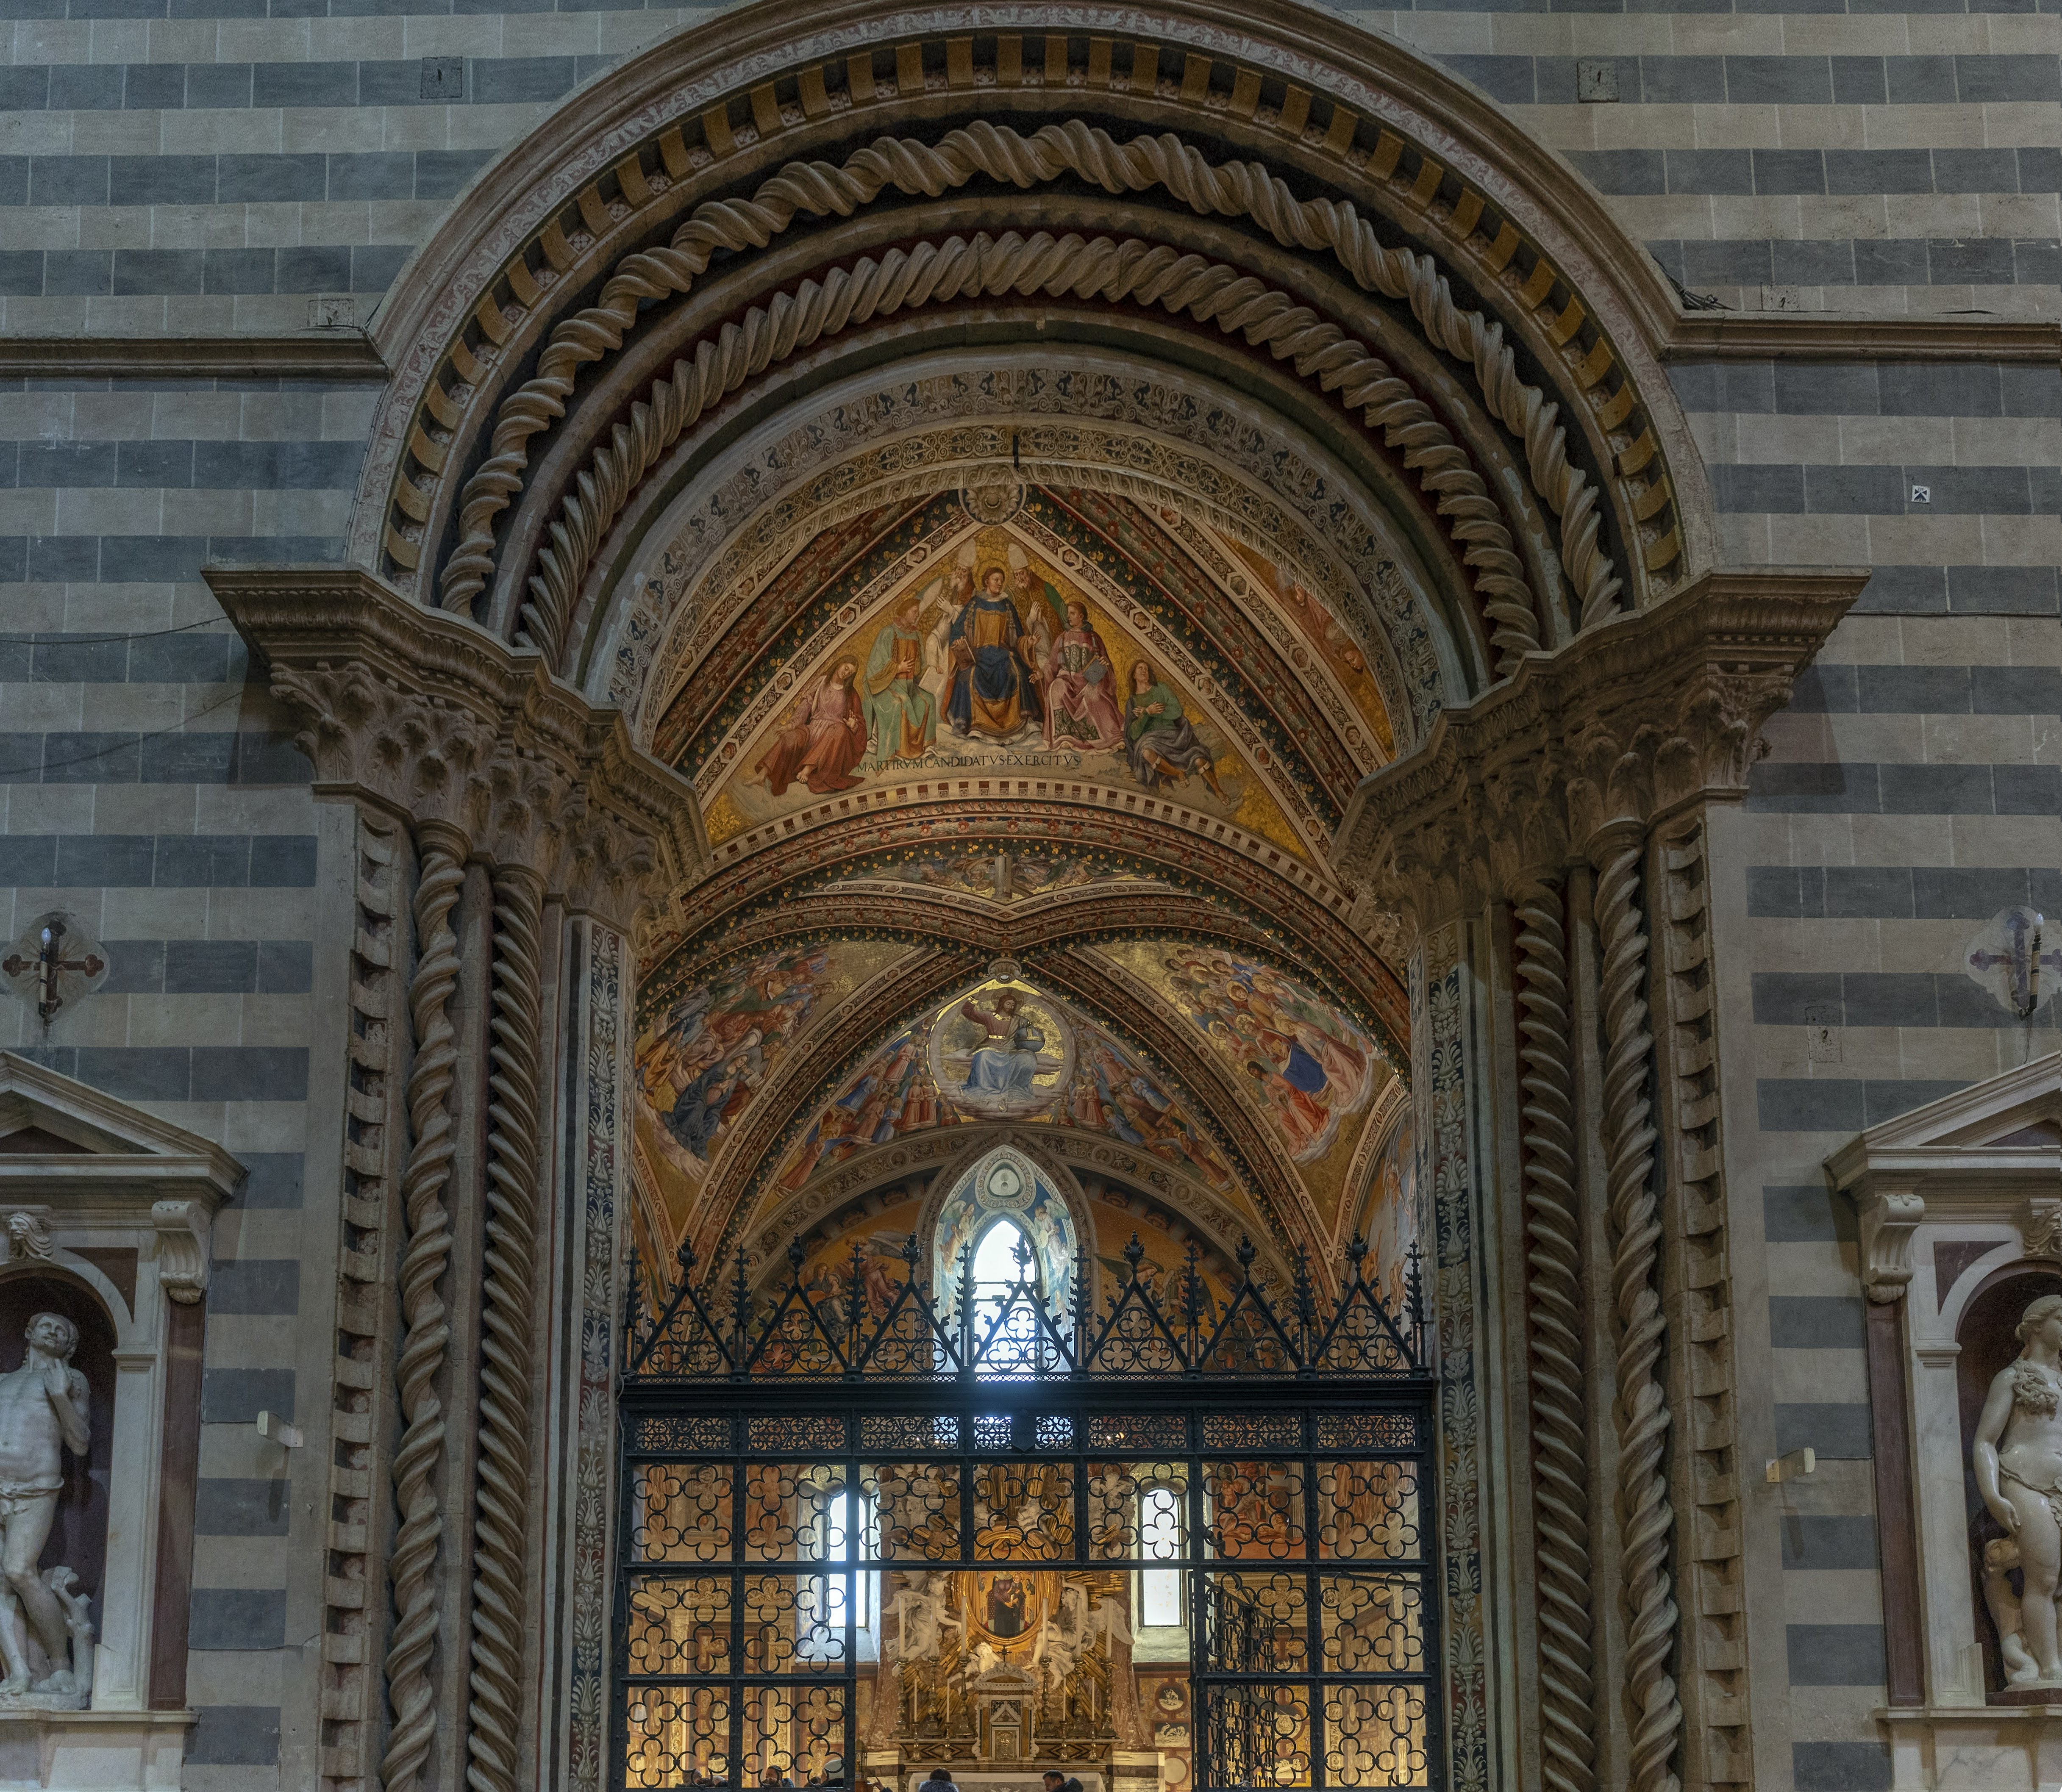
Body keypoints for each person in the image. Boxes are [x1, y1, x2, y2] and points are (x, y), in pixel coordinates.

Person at [0, 1312, 90, 1693]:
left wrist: (58, 1395)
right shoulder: (3, 1382)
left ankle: (60, 1664)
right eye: (46, 1325)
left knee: (19, 1571)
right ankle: (18, 1671)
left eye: (62, 1330)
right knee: (2, 1585)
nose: (52, 1331)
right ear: (29, 1331)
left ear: (68, 1347)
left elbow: (81, 1443)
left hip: (36, 1487)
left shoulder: (71, 1381)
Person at [1976, 1293, 2062, 1684]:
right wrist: (1993, 1497)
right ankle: (2050, 1670)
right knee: (2042, 1579)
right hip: (2025, 1480)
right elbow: (1984, 1442)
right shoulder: (2012, 1377)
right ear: (2037, 1325)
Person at [944, 564, 1042, 740]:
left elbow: (1019, 636)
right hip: (978, 656)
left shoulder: (1007, 606)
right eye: (996, 580)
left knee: (1018, 673)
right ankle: (966, 722)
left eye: (1002, 580)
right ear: (987, 581)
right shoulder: (974, 604)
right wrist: (959, 639)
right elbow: (957, 630)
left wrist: (1029, 642)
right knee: (967, 676)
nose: (1000, 583)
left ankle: (1027, 720)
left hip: (1003, 655)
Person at [753, 660, 869, 795]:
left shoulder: (851, 693)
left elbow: (860, 724)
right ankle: (763, 775)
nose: (846, 673)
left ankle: (808, 769)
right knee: (791, 737)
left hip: (833, 742)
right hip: (812, 730)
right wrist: (792, 725)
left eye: (850, 673)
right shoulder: (822, 682)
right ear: (839, 663)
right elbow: (806, 706)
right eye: (846, 667)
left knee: (839, 729)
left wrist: (853, 726)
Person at [1122, 660, 1226, 799]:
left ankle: (1218, 790)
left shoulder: (1161, 689)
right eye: (1140, 668)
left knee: (1198, 758)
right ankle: (1178, 773)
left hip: (1174, 736)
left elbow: (1177, 711)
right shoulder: (1132, 702)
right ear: (1134, 675)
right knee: (1146, 752)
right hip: (1151, 740)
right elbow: (1134, 733)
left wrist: (1157, 712)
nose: (1144, 671)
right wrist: (1147, 713)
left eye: (1147, 668)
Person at [862, 598, 939, 768]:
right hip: (887, 685)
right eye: (914, 611)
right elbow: (875, 667)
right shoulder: (888, 633)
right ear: (904, 612)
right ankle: (900, 750)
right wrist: (897, 668)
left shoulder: (915, 635)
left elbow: (919, 666)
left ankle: (926, 747)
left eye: (918, 611)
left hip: (909, 685)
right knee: (902, 703)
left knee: (929, 700)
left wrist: (931, 665)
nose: (917, 614)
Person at [1042, 600, 1124, 749]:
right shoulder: (1063, 637)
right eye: (1068, 614)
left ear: (1082, 616)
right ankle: (1065, 737)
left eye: (1072, 614)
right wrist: (1042, 671)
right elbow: (1052, 664)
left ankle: (1111, 739)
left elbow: (1105, 663)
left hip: (1088, 681)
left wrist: (1104, 665)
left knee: (1095, 695)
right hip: (1067, 680)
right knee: (1056, 688)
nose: (1069, 617)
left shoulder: (1094, 638)